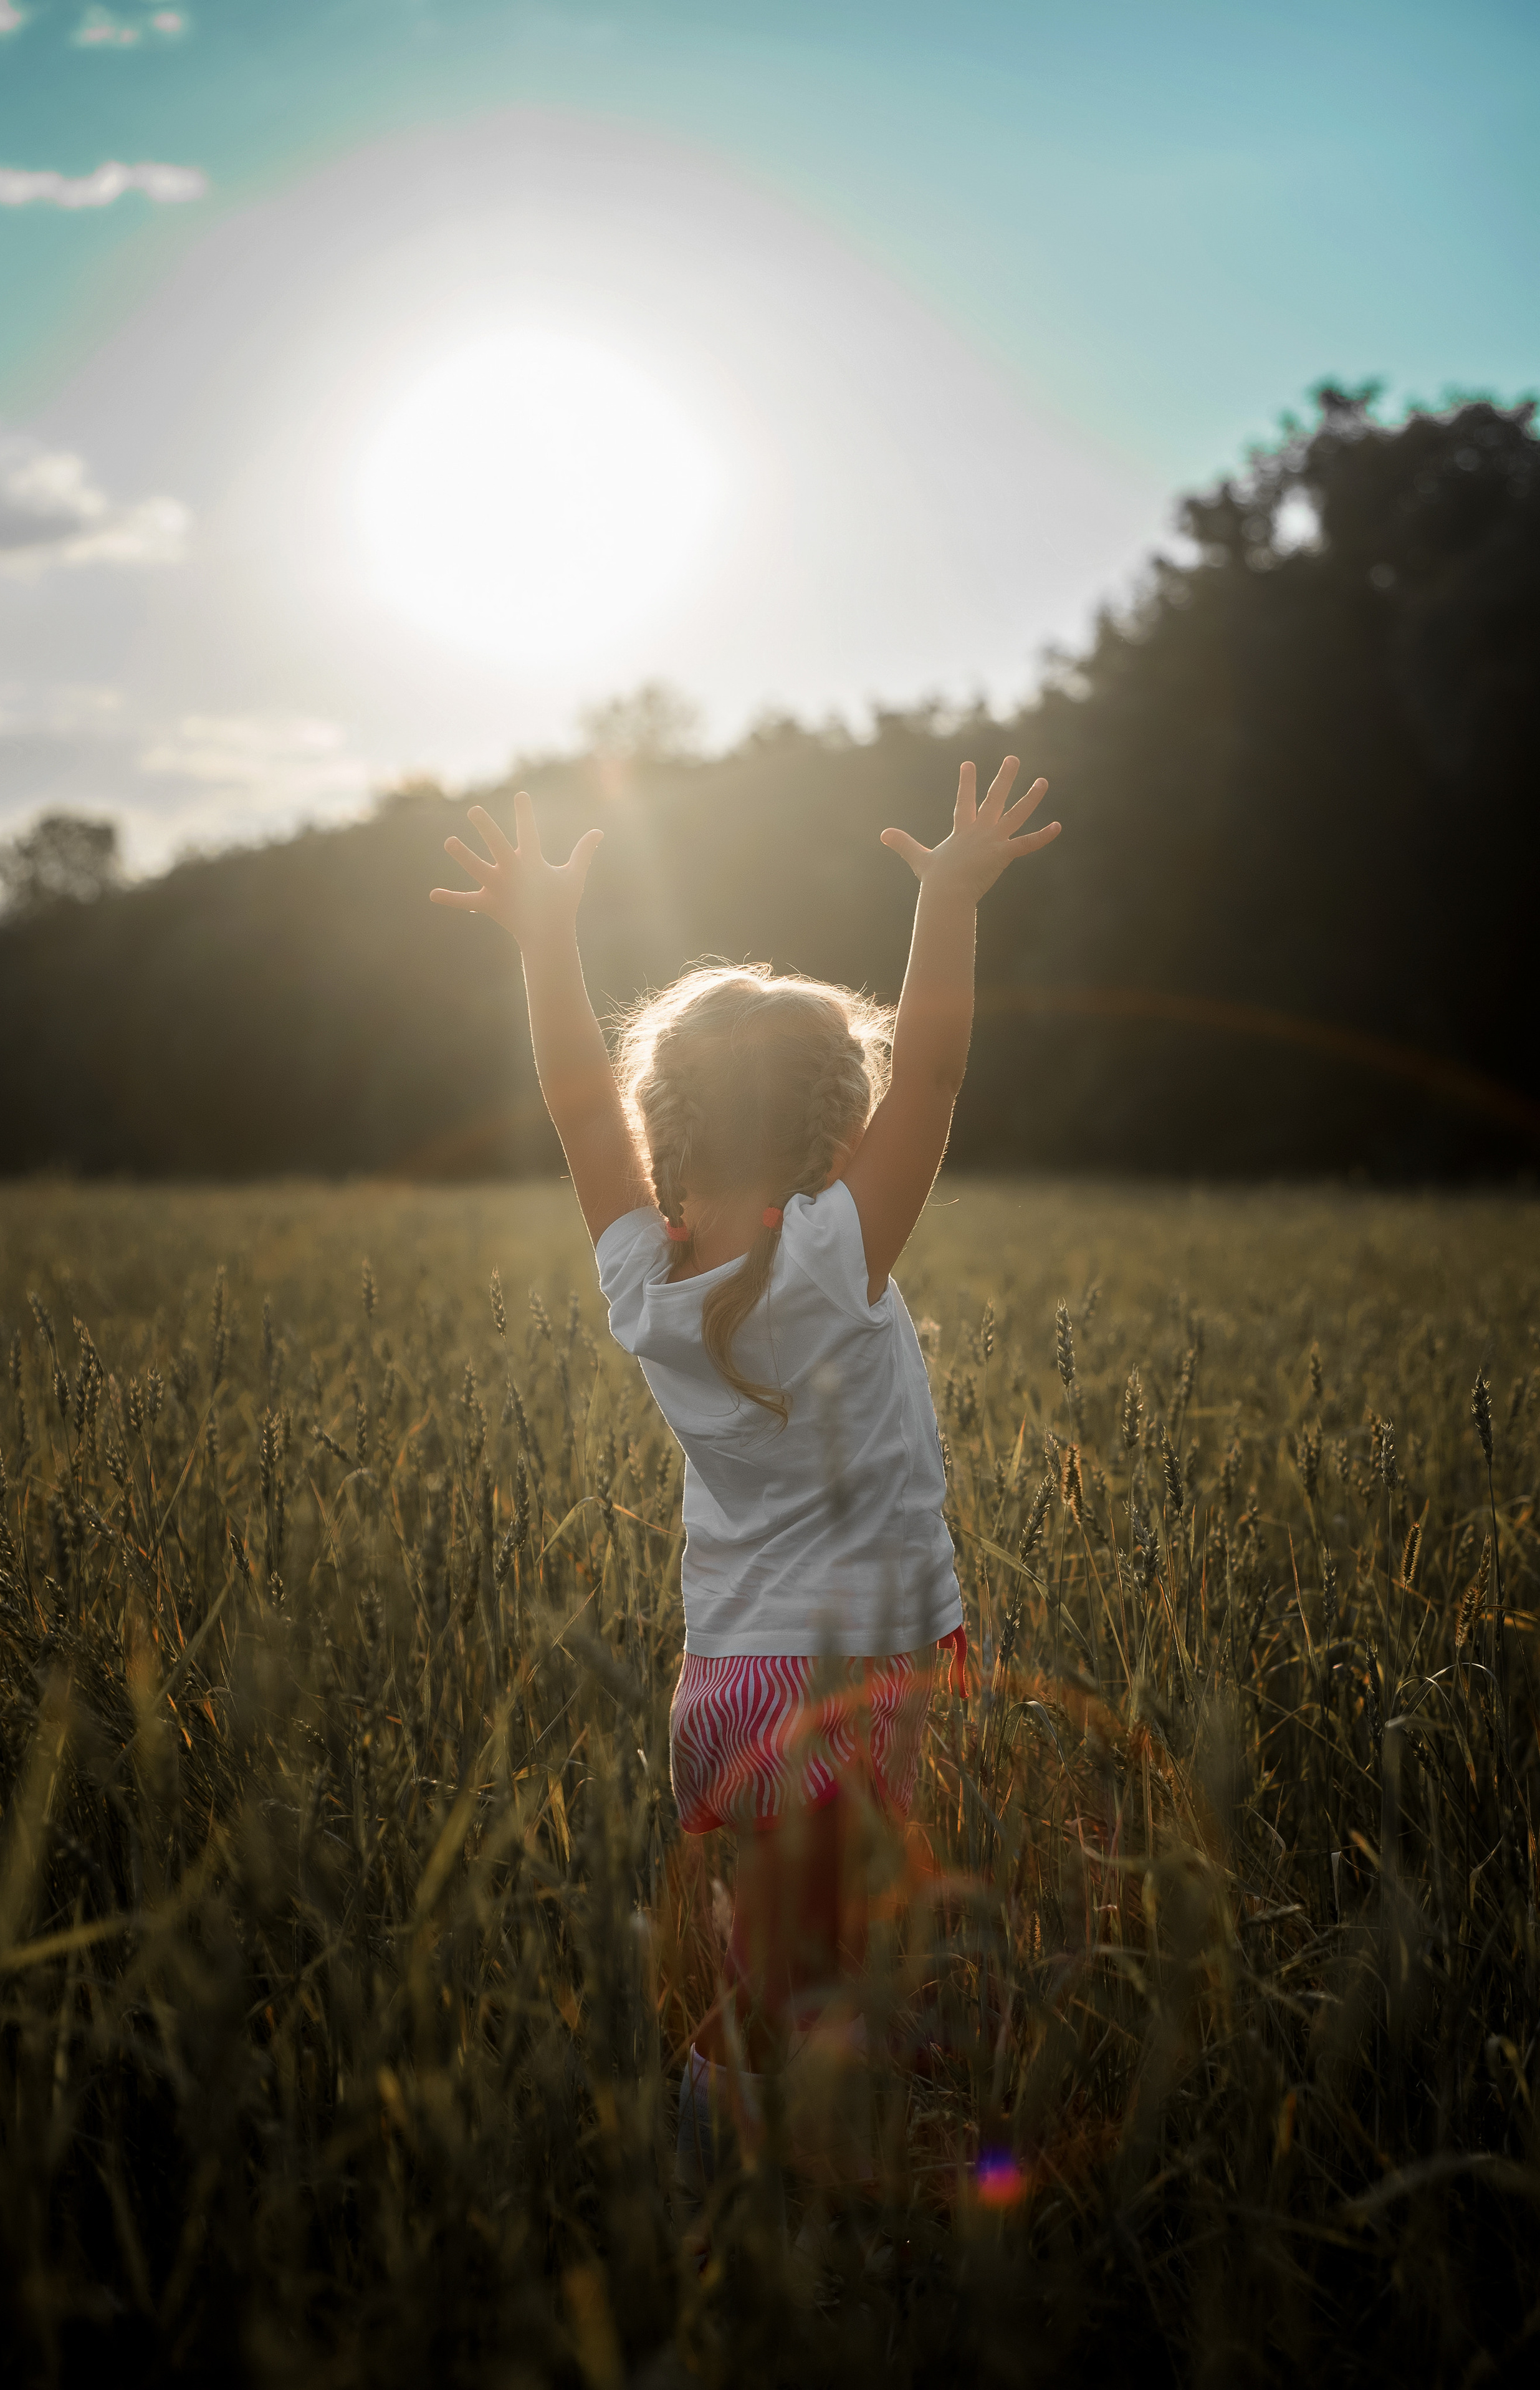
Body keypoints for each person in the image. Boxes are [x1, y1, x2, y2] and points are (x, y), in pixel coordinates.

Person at [431, 754, 1059, 2202]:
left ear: (670, 1134)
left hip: (725, 1688)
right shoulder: (838, 1253)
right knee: (844, 1977)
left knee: (761, 1976)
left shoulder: (641, 1271)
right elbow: (945, 1063)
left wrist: (542, 940)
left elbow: (576, 1098)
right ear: (839, 1131)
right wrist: (950, 898)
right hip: (857, 1678)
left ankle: (738, 2202)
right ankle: (789, 2221)